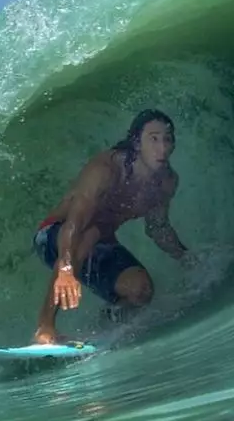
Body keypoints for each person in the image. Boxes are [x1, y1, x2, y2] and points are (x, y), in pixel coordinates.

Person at [31, 109, 190, 345]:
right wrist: (65, 269)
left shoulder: (165, 182)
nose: (162, 147)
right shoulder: (106, 170)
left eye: (168, 139)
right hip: (55, 236)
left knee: (141, 290)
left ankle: (102, 329)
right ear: (137, 143)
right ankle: (44, 329)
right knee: (88, 235)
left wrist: (185, 256)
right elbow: (74, 224)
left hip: (98, 242)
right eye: (153, 139)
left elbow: (157, 228)